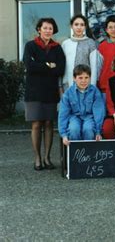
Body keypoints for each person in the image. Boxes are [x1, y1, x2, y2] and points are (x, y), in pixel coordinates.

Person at [23, 17, 65, 170]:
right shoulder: (30, 46)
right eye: (45, 28)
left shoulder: (57, 48)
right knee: (36, 124)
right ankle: (37, 158)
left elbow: (60, 68)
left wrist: (41, 66)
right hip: (34, 91)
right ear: (39, 29)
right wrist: (48, 66)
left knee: (49, 123)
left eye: (50, 28)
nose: (48, 31)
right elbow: (29, 65)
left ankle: (47, 157)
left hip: (50, 91)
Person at [58, 64, 105, 145]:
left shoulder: (95, 91)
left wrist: (98, 131)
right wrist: (63, 134)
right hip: (74, 117)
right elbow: (63, 114)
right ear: (74, 78)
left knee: (88, 129)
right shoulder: (68, 93)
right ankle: (76, 155)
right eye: (80, 78)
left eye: (86, 78)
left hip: (89, 117)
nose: (83, 81)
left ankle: (89, 154)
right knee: (73, 129)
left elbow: (99, 112)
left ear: (90, 78)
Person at [61, 14, 101, 90]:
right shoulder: (65, 44)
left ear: (85, 27)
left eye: (82, 25)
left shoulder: (90, 43)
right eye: (76, 24)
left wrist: (92, 86)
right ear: (71, 26)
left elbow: (94, 66)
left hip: (86, 85)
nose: (79, 27)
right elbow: (62, 66)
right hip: (68, 84)